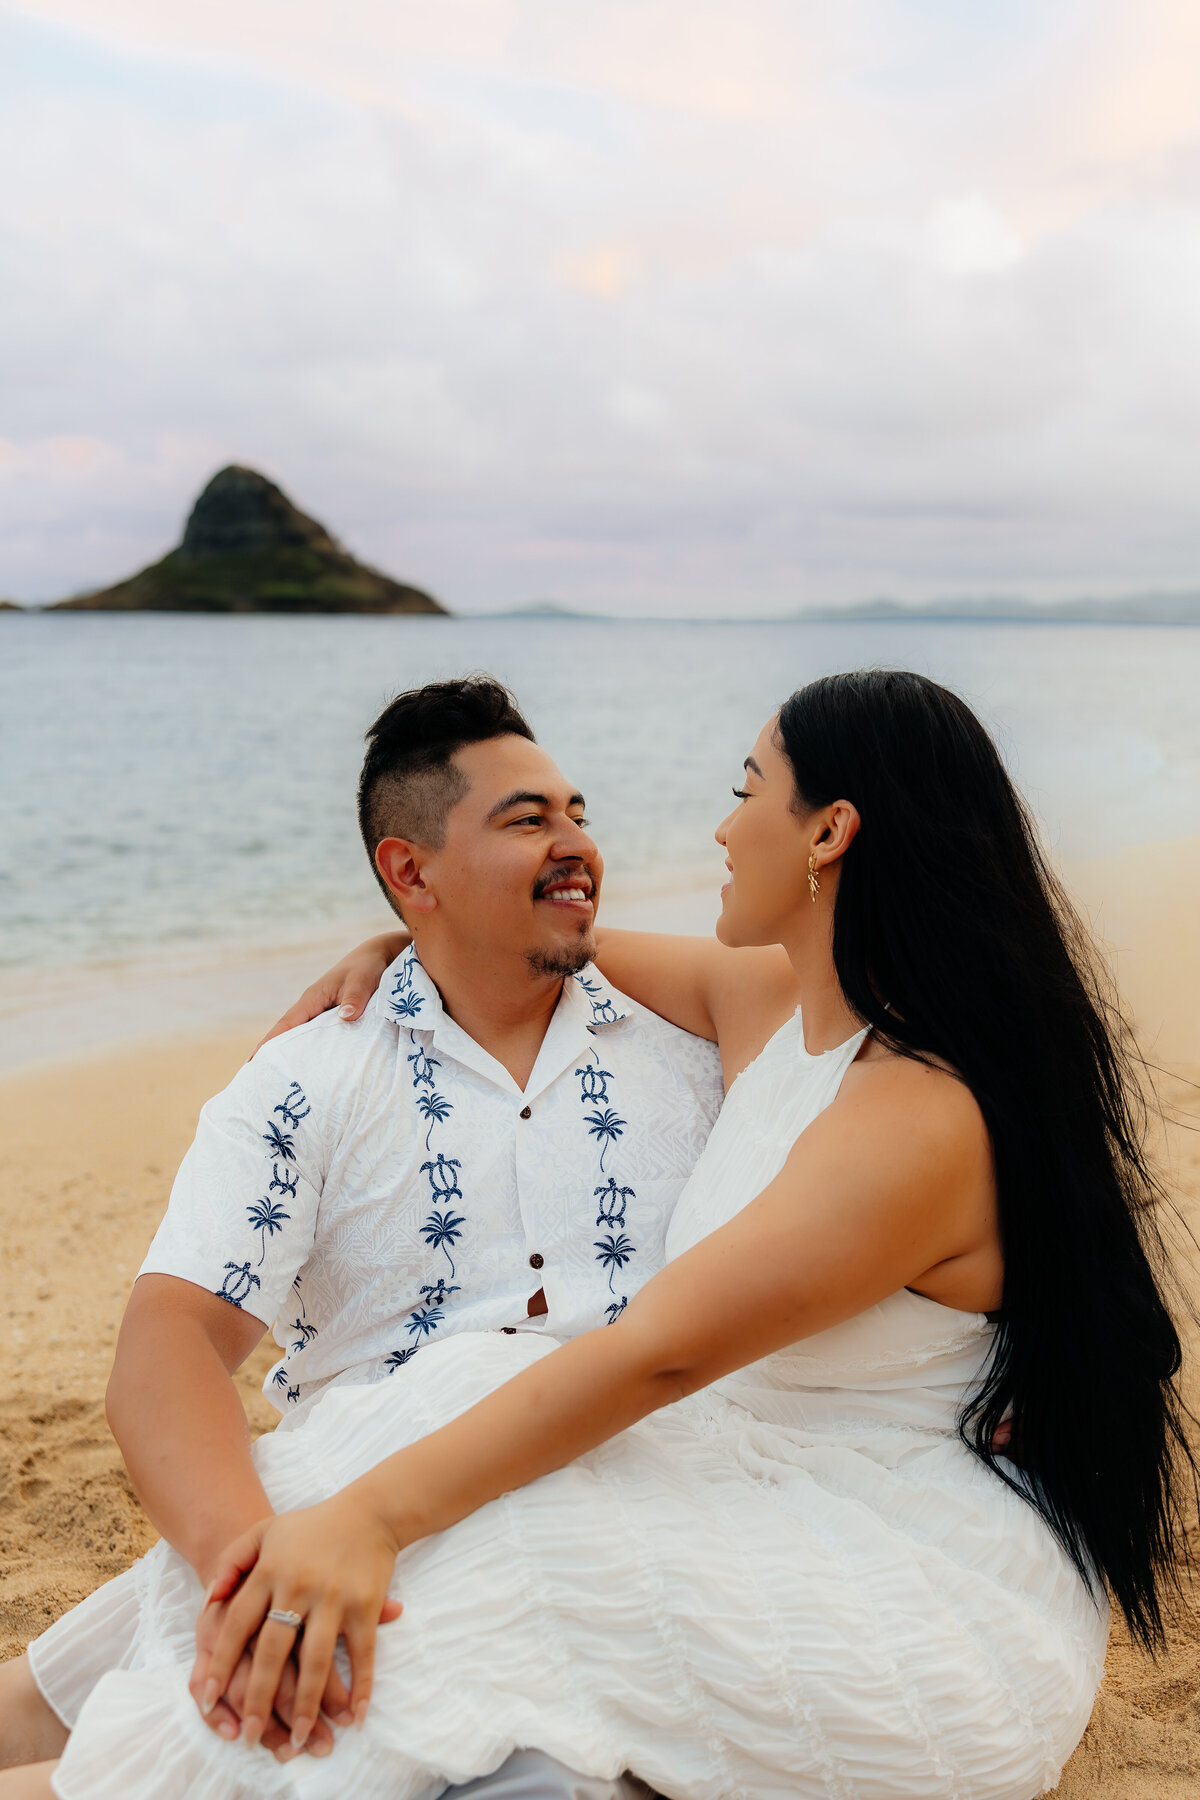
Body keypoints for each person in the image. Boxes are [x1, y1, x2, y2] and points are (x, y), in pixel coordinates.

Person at [10, 668, 1194, 1799]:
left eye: (745, 789)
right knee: (429, 1412)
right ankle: (108, 1714)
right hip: (760, 1479)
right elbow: (538, 941)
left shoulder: (914, 1115)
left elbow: (658, 1356)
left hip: (904, 1565)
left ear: (828, 833)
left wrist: (366, 1525)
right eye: (538, 817)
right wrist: (403, 935)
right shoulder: (772, 1006)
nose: (719, 830)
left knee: (455, 1568)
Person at [0, 677, 724, 1800]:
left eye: (578, 812)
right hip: (353, 1517)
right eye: (529, 821)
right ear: (409, 870)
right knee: (122, 1682)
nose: (577, 842)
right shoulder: (310, 1074)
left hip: (625, 1517)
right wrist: (254, 1571)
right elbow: (173, 1342)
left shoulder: (694, 1047)